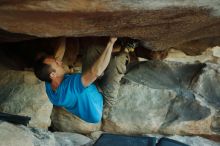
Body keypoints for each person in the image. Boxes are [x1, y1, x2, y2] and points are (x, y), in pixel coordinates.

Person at [34, 37, 129, 123]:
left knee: (92, 50)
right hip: (102, 100)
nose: (60, 62)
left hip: (89, 89)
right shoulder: (70, 86)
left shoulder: (48, 82)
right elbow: (95, 72)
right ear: (53, 75)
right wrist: (111, 42)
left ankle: (117, 49)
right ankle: (127, 49)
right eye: (57, 64)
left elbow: (56, 58)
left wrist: (63, 34)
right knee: (118, 60)